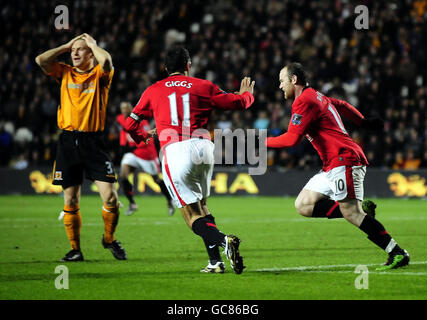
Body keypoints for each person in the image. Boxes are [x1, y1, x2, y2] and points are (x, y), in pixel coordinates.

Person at [266, 63, 409, 271]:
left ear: (294, 79)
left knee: (352, 213)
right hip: (332, 164)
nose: (279, 86)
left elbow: (291, 140)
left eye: (281, 80)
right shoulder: (316, 96)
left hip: (344, 160)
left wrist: (260, 142)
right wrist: (363, 122)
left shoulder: (303, 100)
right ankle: (359, 211)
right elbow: (341, 105)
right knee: (304, 205)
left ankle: (397, 252)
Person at [125, 46, 255, 274]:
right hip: (204, 148)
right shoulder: (204, 86)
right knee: (202, 206)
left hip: (175, 151)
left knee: (190, 214)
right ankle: (215, 262)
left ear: (165, 68)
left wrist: (143, 137)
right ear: (188, 65)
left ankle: (226, 241)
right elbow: (236, 103)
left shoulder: (153, 90)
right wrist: (246, 95)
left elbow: (130, 124)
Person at [35, 34, 127, 261]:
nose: (75, 53)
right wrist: (65, 46)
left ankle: (109, 239)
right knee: (71, 200)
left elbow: (106, 62)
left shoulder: (100, 75)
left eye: (80, 50)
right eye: (73, 50)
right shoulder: (65, 72)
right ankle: (75, 249)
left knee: (111, 198)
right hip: (68, 141)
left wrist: (94, 45)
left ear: (90, 54)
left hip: (94, 142)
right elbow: (40, 60)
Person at [116, 102, 175, 215]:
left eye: (126, 108)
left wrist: (132, 146)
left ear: (131, 109)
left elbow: (148, 137)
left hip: (147, 155)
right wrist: (123, 146)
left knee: (156, 179)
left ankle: (170, 200)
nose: (124, 110)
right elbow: (124, 132)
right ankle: (132, 204)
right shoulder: (120, 119)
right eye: (122, 108)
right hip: (133, 154)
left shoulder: (141, 121)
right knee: (123, 175)